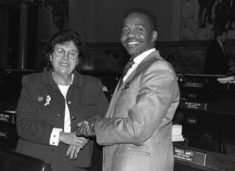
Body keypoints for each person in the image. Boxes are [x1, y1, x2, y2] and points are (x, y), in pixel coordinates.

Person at [77, 8, 180, 171]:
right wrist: (97, 120)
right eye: (125, 30)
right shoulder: (133, 67)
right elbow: (122, 114)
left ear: (153, 35)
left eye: (139, 29)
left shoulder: (158, 69)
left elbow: (137, 128)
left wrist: (96, 127)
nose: (130, 35)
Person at [15, 29, 109, 171]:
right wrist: (62, 136)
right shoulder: (33, 83)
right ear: (50, 56)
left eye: (72, 53)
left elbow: (106, 119)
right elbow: (23, 125)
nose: (65, 58)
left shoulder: (92, 85)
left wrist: (81, 135)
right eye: (60, 51)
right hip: (35, 162)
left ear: (78, 60)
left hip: (74, 163)